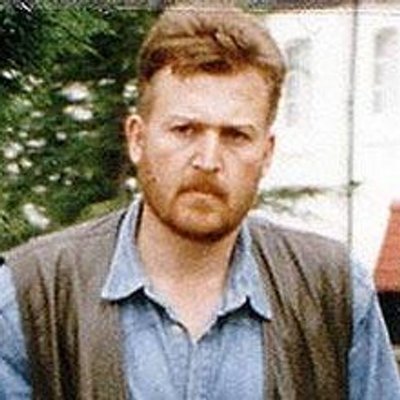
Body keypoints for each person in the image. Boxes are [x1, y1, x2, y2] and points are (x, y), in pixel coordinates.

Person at [1, 4, 399, 400]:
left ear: (266, 153)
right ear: (137, 139)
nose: (208, 161)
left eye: (236, 136)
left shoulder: (335, 294)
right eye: (184, 129)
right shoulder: (30, 298)